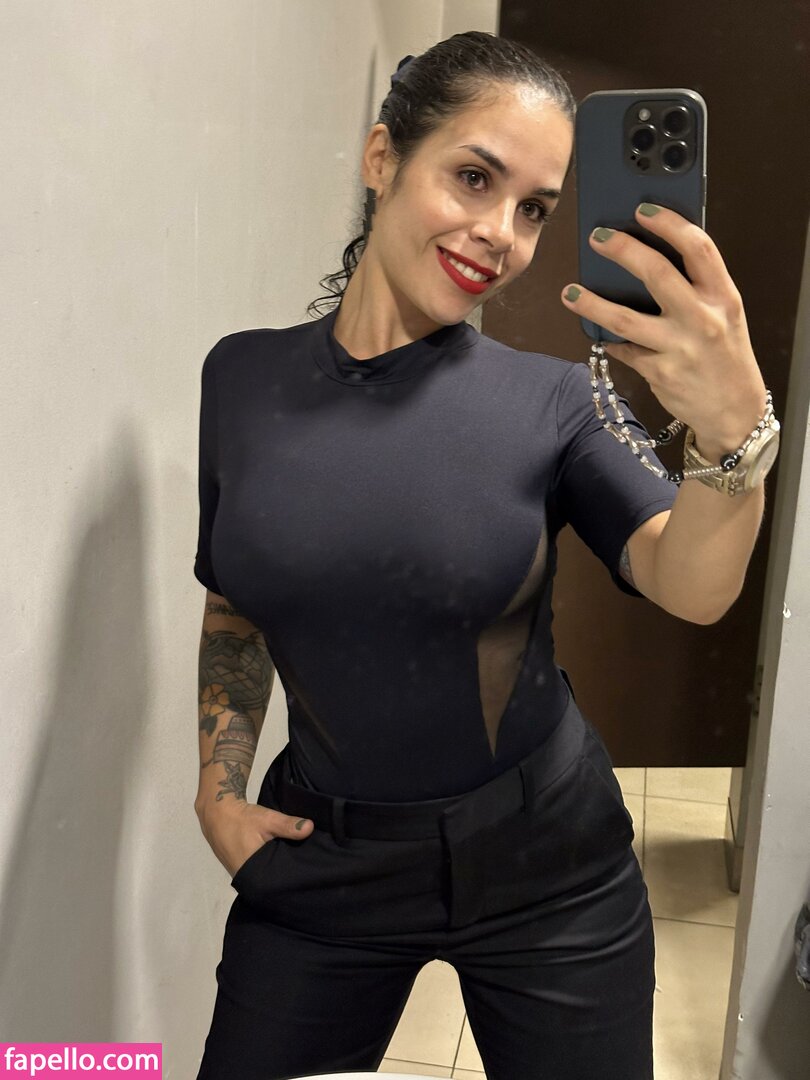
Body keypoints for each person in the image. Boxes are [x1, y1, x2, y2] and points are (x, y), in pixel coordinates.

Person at [193, 31, 775, 1080]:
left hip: (548, 866)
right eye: (473, 178)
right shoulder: (239, 380)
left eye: (536, 208)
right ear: (383, 157)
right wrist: (219, 784)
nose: (501, 234)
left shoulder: (555, 400)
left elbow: (691, 586)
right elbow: (236, 594)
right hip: (325, 864)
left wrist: (735, 441)